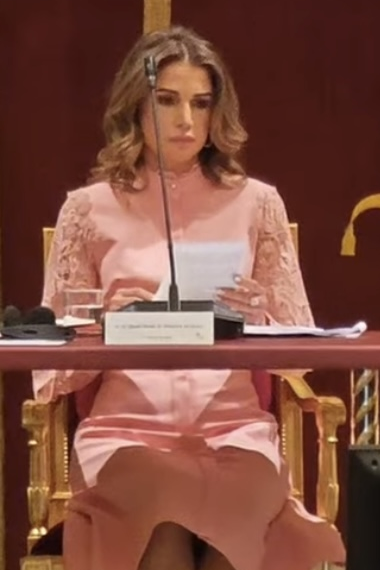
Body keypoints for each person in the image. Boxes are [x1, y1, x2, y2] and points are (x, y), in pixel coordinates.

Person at [35, 27, 345, 570]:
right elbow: (50, 376)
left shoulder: (257, 205)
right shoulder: (86, 211)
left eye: (201, 104)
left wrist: (259, 319)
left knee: (235, 527)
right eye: (168, 101)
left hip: (234, 435)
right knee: (165, 524)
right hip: (127, 437)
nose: (186, 120)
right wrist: (105, 326)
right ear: (136, 104)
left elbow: (301, 352)